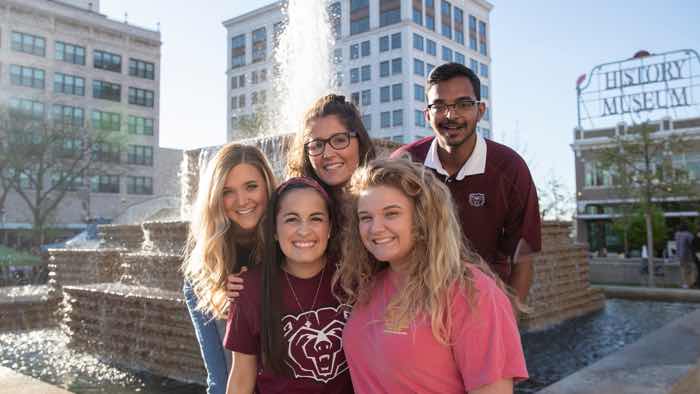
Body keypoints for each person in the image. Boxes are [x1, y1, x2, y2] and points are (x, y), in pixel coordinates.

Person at [337, 159, 527, 393]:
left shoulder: (471, 292)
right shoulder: (370, 288)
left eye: (391, 214)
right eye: (366, 217)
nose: (375, 228)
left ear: (422, 217)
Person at [391, 62, 541, 302]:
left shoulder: (510, 168)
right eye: (440, 106)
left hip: (484, 304)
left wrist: (508, 322)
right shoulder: (404, 164)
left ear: (480, 110)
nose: (451, 115)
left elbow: (522, 258)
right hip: (417, 302)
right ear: (427, 115)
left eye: (464, 104)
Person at [226, 93, 377, 300]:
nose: (328, 153)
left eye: (340, 140)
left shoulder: (382, 198)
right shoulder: (290, 201)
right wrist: (233, 277)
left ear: (359, 140)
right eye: (317, 145)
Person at [224, 177, 353, 394]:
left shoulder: (352, 278)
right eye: (292, 219)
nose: (304, 230)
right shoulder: (249, 289)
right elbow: (241, 378)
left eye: (316, 218)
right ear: (274, 230)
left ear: (330, 228)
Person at [182, 143, 277, 394]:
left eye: (251, 187)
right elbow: (219, 375)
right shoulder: (204, 268)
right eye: (228, 191)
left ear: (267, 186)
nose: (242, 200)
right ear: (215, 197)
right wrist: (226, 300)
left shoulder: (289, 239)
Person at [674, 223, 696, 289]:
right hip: (688, 255)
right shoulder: (688, 235)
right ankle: (691, 283)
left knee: (683, 269)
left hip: (680, 255)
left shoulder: (677, 234)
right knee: (692, 269)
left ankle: (685, 284)